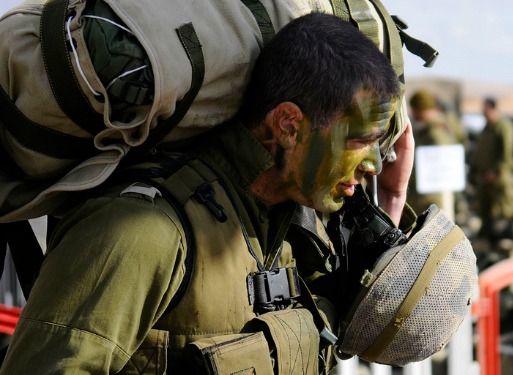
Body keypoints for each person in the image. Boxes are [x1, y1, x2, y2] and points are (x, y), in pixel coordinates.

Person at [0, 13, 414, 374]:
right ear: (288, 125)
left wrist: (391, 202)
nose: (375, 163)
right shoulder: (142, 233)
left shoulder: (296, 236)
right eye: (361, 140)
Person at [470, 97, 513, 247]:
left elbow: (507, 153)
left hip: (501, 177)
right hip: (486, 177)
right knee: (487, 209)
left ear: (493, 109)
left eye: (485, 109)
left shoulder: (504, 127)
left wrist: (497, 172)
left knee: (509, 207)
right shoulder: (487, 128)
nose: (483, 113)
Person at [406, 89, 458, 214]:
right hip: (426, 196)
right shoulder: (427, 129)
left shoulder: (436, 133)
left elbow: (443, 168)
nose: (413, 114)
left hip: (433, 197)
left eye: (415, 110)